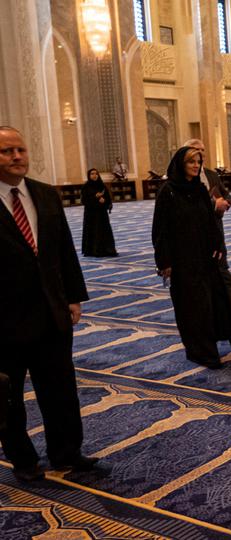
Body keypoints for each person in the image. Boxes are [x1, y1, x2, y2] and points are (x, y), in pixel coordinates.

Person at [0, 126, 98, 481]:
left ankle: (67, 453)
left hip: (51, 313)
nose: (16, 157)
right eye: (6, 151)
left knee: (60, 389)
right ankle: (23, 461)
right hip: (5, 320)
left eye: (21, 150)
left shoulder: (45, 194)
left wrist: (73, 296)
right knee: (9, 398)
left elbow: (64, 250)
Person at [152, 146, 231, 369]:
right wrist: (164, 262)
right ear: (181, 164)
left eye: (198, 162)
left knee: (208, 304)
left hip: (204, 258)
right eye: (191, 162)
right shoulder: (168, 191)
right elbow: (160, 230)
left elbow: (210, 221)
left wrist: (217, 244)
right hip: (181, 261)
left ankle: (208, 346)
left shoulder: (200, 189)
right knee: (191, 308)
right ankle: (199, 351)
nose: (196, 166)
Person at [183, 139, 231, 315]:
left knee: (221, 266)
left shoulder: (211, 174)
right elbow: (189, 203)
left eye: (203, 150)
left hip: (215, 228)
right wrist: (214, 204)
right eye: (196, 150)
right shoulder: (183, 179)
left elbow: (226, 195)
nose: (201, 153)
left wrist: (226, 203)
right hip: (196, 232)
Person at [80, 168, 118, 257]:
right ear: (89, 175)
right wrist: (95, 198)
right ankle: (93, 251)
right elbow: (84, 200)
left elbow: (108, 199)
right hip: (91, 214)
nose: (94, 175)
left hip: (101, 213)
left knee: (103, 230)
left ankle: (107, 249)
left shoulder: (102, 186)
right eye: (92, 174)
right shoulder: (86, 187)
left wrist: (104, 200)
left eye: (96, 173)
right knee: (93, 231)